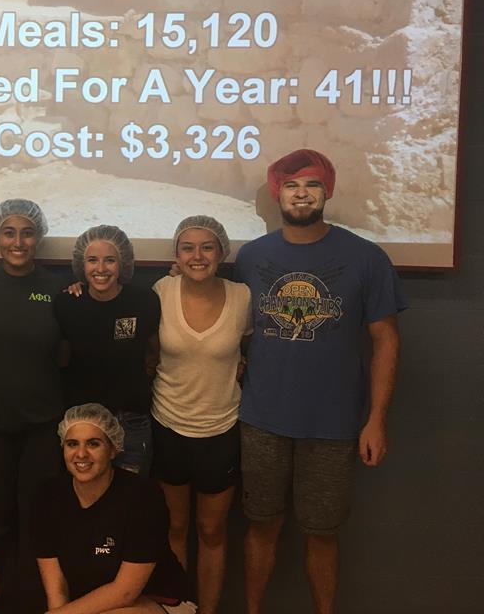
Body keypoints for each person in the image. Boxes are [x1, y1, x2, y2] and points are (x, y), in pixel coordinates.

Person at [234, 149, 405, 614]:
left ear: (326, 191)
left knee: (323, 534)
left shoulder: (366, 257)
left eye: (311, 184)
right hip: (262, 419)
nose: (301, 194)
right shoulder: (251, 257)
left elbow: (386, 340)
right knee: (261, 525)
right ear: (278, 194)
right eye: (291, 185)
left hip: (334, 425)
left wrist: (377, 420)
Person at [0, 199, 64, 613]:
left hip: (42, 424)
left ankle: (31, 602)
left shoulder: (59, 288)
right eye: (9, 232)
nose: (18, 242)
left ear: (39, 237)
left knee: (36, 519)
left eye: (27, 233)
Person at [151, 216, 251, 614]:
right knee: (175, 527)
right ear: (176, 255)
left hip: (220, 429)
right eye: (188, 248)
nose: (197, 256)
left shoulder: (242, 297)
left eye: (207, 247)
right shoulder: (161, 291)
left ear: (222, 252)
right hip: (168, 424)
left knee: (211, 531)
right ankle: (179, 609)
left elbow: (252, 347)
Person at [30, 404, 193, 614]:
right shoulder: (47, 496)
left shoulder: (143, 497)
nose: (81, 453)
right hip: (85, 606)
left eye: (93, 444)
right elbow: (56, 588)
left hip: (157, 600)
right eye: (72, 444)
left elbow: (125, 592)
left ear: (113, 449)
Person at [55, 225, 160, 476]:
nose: (101, 268)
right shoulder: (68, 303)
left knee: (131, 494)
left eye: (110, 260)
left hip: (131, 421)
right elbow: (62, 359)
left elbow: (153, 352)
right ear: (81, 264)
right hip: (82, 422)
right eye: (92, 260)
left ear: (123, 263)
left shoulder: (144, 301)